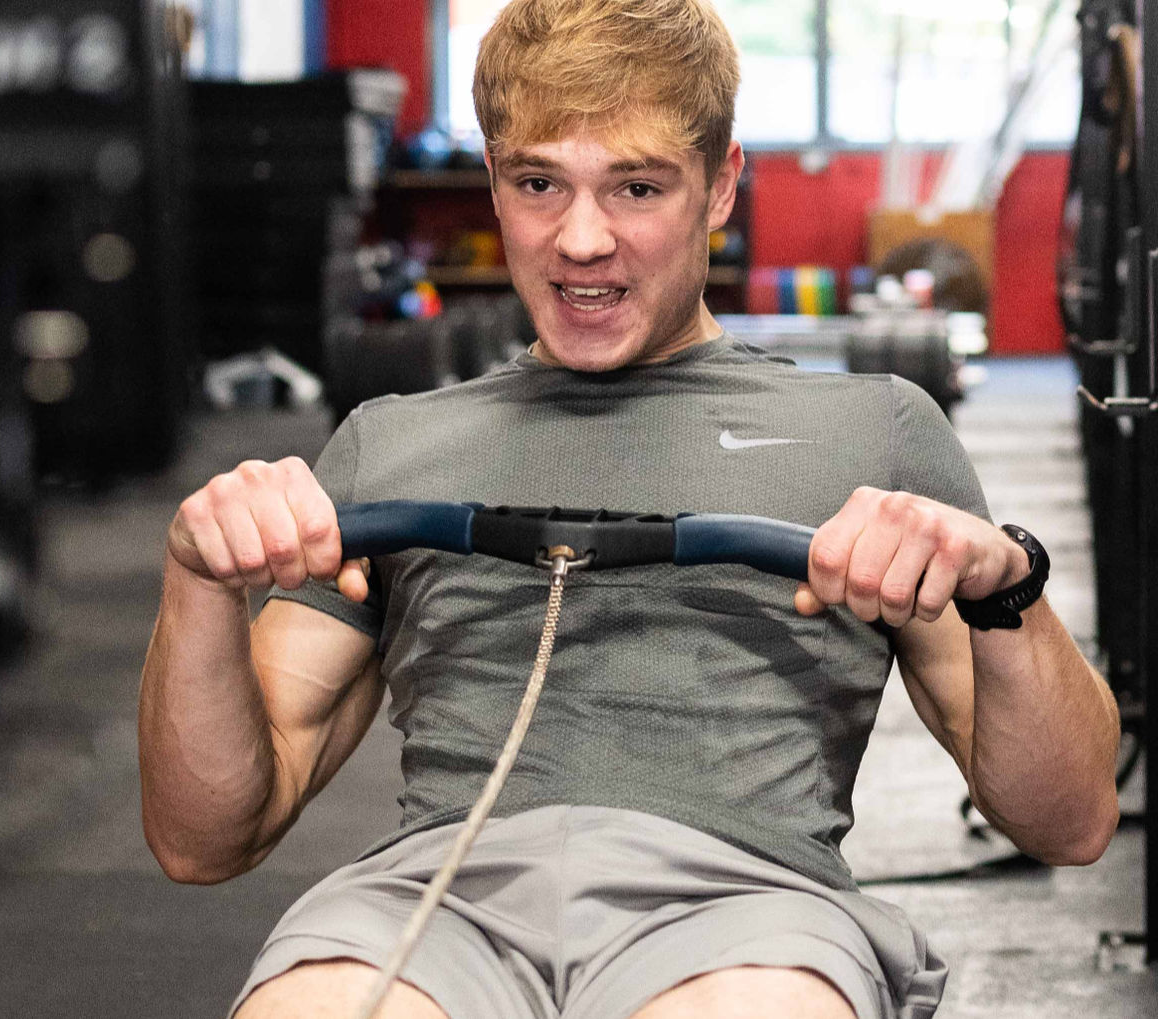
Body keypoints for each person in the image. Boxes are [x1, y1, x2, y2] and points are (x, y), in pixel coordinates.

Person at [138, 1, 1121, 1016]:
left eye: (637, 187)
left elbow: (1072, 818)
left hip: (742, 907)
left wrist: (1009, 588)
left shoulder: (873, 433)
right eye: (538, 184)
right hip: (437, 904)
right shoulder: (389, 445)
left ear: (721, 185)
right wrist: (196, 581)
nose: (581, 240)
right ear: (494, 185)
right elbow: (206, 837)